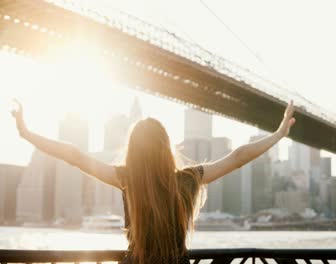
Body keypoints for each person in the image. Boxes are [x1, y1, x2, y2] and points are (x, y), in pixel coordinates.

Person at [10, 99, 296, 264]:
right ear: (166, 146)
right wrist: (279, 133)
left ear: (133, 150)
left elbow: (74, 155)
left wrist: (26, 133)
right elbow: (238, 157)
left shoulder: (126, 180)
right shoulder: (186, 181)